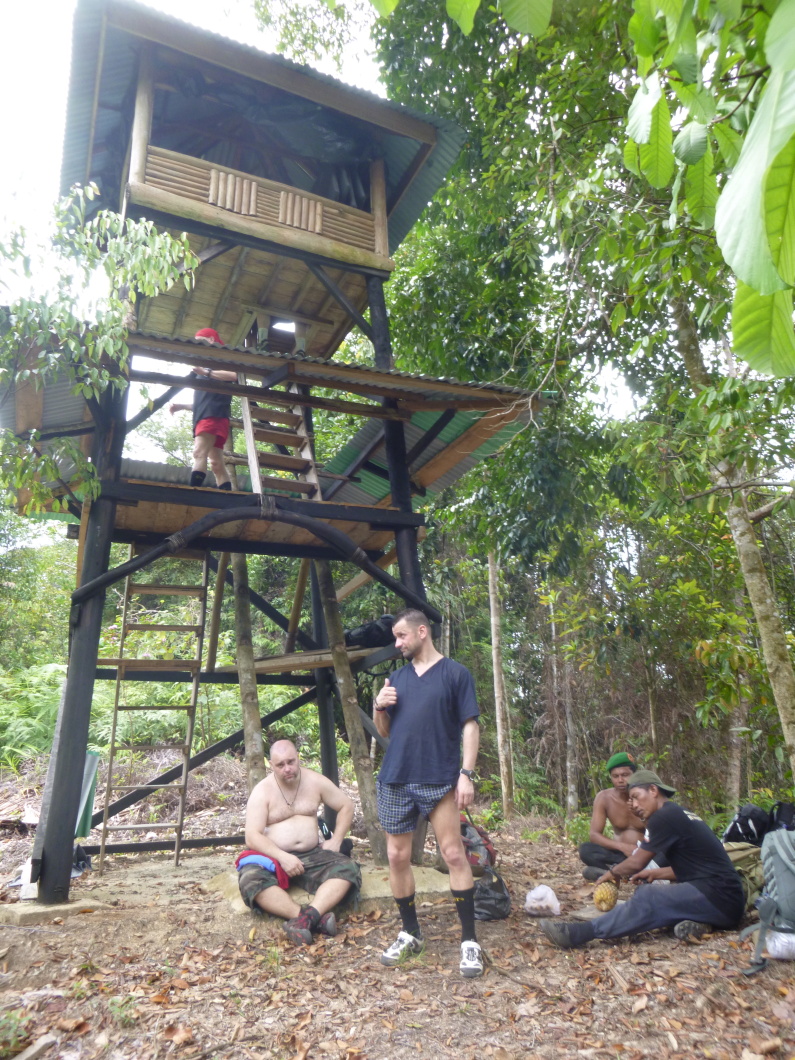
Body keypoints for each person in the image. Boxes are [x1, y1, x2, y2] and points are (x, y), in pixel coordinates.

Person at [373, 608, 483, 979]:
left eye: (401, 636)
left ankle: (469, 941)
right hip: (396, 778)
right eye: (395, 637)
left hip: (439, 777)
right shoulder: (397, 678)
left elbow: (470, 726)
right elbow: (385, 731)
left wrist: (466, 774)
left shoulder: (455, 674)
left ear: (422, 631)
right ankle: (411, 933)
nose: (397, 643)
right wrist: (379, 706)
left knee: (453, 853)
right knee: (396, 856)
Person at [540, 769, 746, 949]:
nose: (634, 805)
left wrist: (612, 873)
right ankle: (700, 923)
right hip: (725, 900)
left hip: (719, 897)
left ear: (653, 790)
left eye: (637, 797)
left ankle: (580, 933)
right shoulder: (678, 812)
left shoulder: (664, 816)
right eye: (631, 800)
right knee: (651, 892)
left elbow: (637, 861)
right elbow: (697, 867)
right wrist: (655, 873)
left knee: (649, 896)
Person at [237, 739, 362, 945]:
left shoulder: (314, 781)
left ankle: (308, 918)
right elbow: (252, 835)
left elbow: (346, 805)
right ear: (271, 765)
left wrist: (337, 839)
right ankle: (306, 917)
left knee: (348, 868)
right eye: (280, 765)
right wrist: (282, 857)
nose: (287, 768)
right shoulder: (262, 791)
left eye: (291, 762)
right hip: (272, 856)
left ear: (298, 758)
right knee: (250, 880)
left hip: (312, 854)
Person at [169, 327, 237, 490]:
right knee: (216, 463)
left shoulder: (220, 359)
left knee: (199, 453)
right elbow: (204, 402)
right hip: (209, 416)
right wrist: (182, 406)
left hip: (213, 416)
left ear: (211, 340)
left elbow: (234, 375)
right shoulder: (204, 369)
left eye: (200, 341)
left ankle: (193, 495)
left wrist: (206, 372)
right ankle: (227, 498)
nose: (197, 345)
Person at [578, 752, 645, 881]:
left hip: (646, 855)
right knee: (586, 850)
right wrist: (623, 847)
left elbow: (659, 832)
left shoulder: (646, 796)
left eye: (625, 775)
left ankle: (621, 873)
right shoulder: (604, 798)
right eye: (615, 776)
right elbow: (594, 835)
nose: (620, 780)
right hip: (620, 856)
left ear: (634, 775)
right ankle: (617, 874)